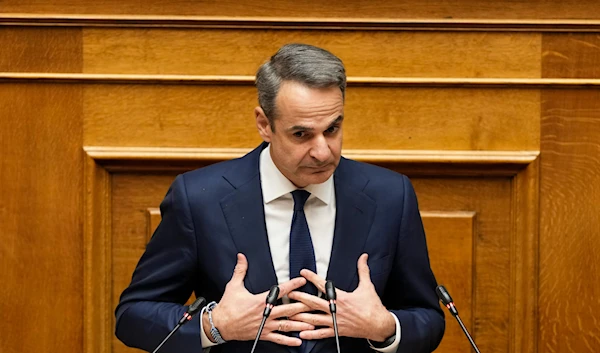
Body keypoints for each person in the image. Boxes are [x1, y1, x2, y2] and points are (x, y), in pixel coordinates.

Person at [115, 43, 444, 353]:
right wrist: (215, 325)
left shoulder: (389, 196)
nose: (322, 151)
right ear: (264, 124)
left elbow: (428, 319)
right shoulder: (200, 199)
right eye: (301, 134)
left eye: (332, 129)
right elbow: (133, 316)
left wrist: (384, 327)